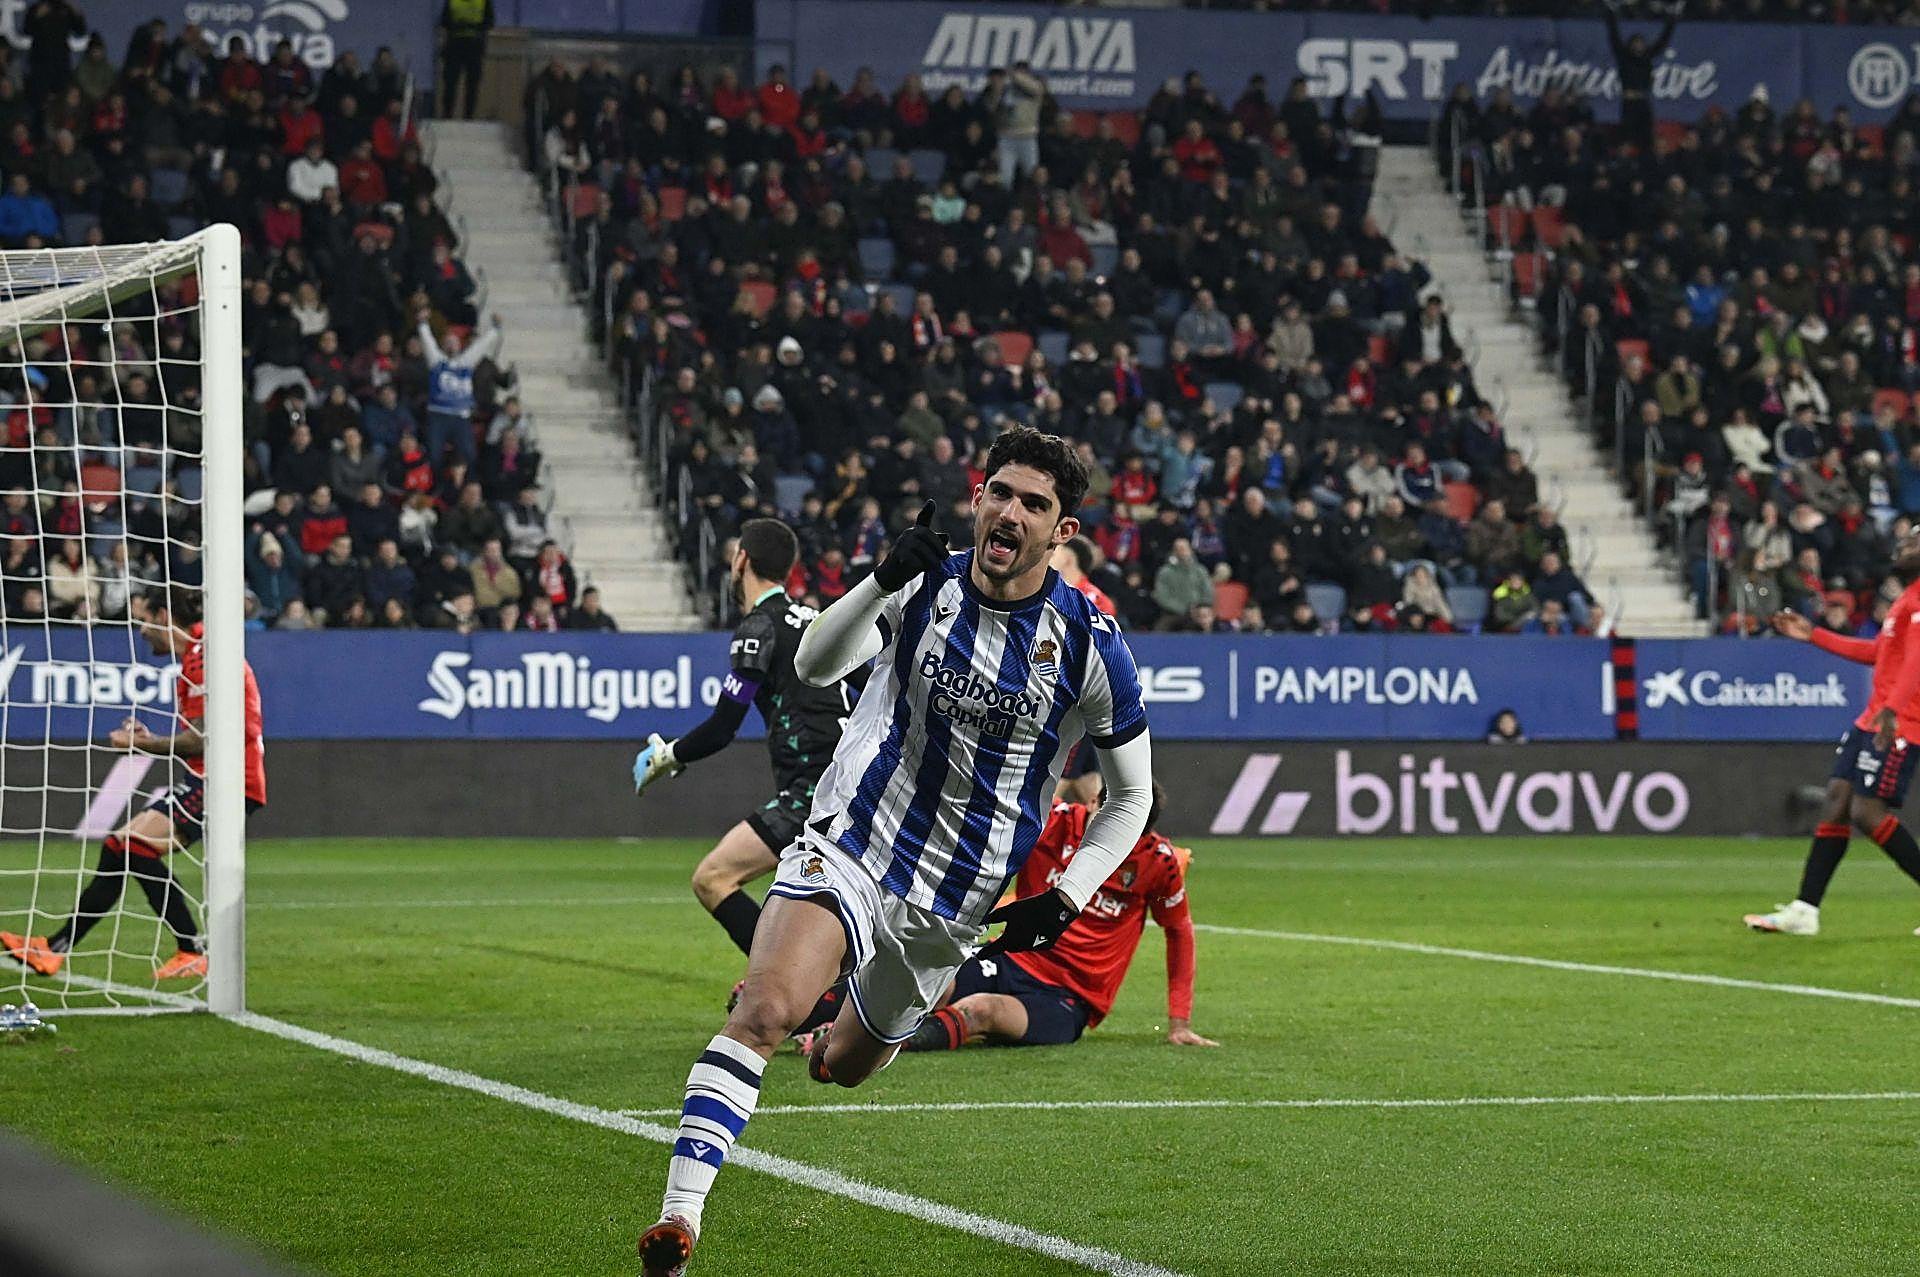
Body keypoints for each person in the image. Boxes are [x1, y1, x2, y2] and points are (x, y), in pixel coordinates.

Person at [636, 427, 1153, 1275]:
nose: (1010, 511)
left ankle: (834, 1032)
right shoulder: (925, 580)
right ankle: (679, 1222)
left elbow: (1131, 794)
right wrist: (882, 576)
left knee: (843, 1064)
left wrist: (1066, 893)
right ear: (978, 497)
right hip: (855, 841)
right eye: (1000, 491)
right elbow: (814, 658)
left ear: (1062, 529)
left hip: (952, 905)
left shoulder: (1092, 644)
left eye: (1035, 503)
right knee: (763, 1007)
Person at [631, 518, 859, 1038]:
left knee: (713, 878)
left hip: (813, 792)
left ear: (741, 561)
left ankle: (803, 993)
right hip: (855, 786)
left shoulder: (758, 629)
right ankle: (822, 991)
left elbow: (722, 726)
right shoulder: (820, 621)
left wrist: (668, 756)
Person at [3, 589, 266, 981]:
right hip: (209, 776)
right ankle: (54, 948)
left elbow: (203, 740)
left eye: (143, 620)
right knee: (118, 845)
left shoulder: (205, 656)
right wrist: (148, 738)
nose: (141, 631)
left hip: (229, 781)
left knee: (134, 845)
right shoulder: (198, 655)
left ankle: (190, 949)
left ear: (164, 615)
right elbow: (202, 737)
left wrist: (141, 744)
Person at [901, 783, 1214, 1053]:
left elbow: (1179, 931)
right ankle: (870, 1027)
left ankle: (894, 1043)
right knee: (929, 980)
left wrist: (1179, 1021)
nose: (1112, 842)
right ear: (1093, 802)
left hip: (1068, 997)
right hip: (1008, 959)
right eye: (1107, 824)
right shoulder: (1051, 822)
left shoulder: (1159, 863)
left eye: (1125, 834)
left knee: (981, 1010)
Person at [1745, 527, 1920, 936]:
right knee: (1837, 801)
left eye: (1913, 544)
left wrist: (1892, 710)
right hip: (1874, 718)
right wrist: (1814, 635)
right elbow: (1880, 653)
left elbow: (1917, 663)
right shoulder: (1906, 601)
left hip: (1900, 722)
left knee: (1866, 812)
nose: (1903, 548)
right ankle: (1805, 910)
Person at [418, 308, 501, 469]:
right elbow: (427, 343)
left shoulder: (465, 363)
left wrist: (495, 330)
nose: (451, 345)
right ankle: (437, 485)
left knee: (469, 453)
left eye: (454, 342)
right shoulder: (436, 362)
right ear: (442, 345)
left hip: (461, 417)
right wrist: (423, 324)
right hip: (438, 414)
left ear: (459, 345)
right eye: (447, 343)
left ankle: (468, 484)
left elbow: (480, 347)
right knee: (434, 454)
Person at [1602, 0, 1679, 154]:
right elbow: (1614, 38)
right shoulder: (1624, 58)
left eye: (1641, 43)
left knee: (1647, 139)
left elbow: (1662, 42)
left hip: (1644, 102)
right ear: (1630, 44)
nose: (1638, 46)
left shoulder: (1647, 58)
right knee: (1627, 138)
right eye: (1635, 43)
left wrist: (1672, 19)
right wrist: (1611, 13)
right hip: (1629, 102)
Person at [438, 0, 494, 120]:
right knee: (452, 83)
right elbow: (444, 21)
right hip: (458, 46)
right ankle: (451, 115)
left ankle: (466, 116)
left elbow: (489, 21)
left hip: (468, 45)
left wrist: (462, 25)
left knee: (470, 84)